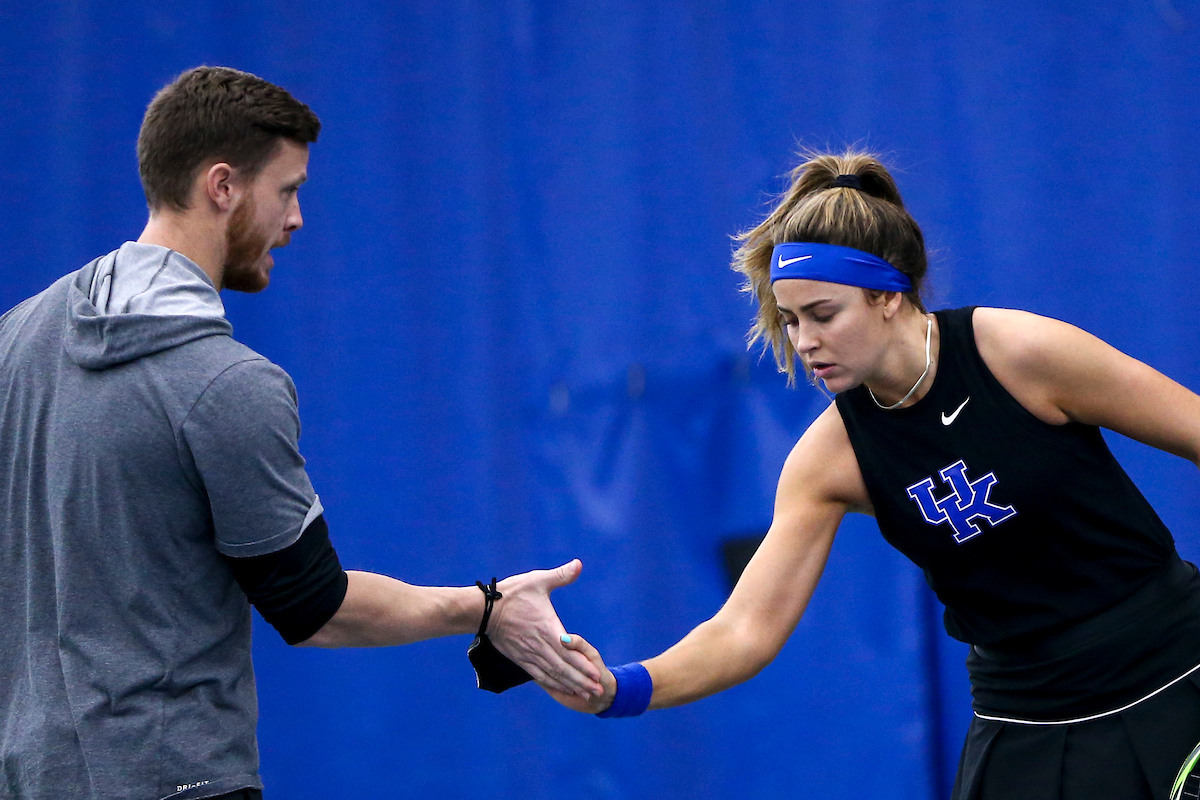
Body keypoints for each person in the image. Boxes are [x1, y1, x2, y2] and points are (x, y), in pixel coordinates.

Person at [0, 66, 600, 800]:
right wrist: (486, 606)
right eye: (287, 190)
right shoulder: (228, 385)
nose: (297, 219)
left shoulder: (15, 337)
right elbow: (317, 609)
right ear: (223, 187)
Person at [548, 150, 1200, 800]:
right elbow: (745, 629)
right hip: (1023, 724)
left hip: (1176, 677)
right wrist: (620, 687)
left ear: (888, 296)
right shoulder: (829, 458)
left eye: (823, 314)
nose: (803, 341)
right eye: (790, 319)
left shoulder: (1023, 354)